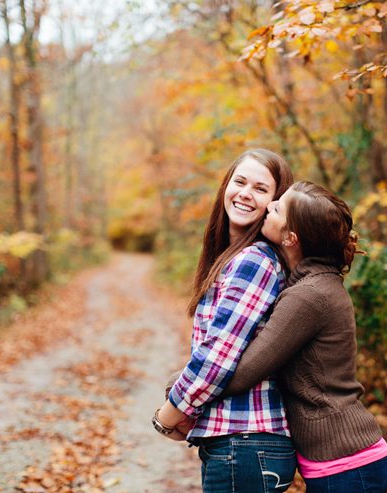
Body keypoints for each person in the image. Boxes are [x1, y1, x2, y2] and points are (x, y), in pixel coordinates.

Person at [220, 181, 387, 493]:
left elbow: (243, 373)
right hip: (341, 463)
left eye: (278, 208)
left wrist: (184, 383)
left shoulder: (308, 296)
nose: (269, 206)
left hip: (348, 465)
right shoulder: (314, 285)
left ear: (291, 238)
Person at [152, 149, 297, 493]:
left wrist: (166, 417)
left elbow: (217, 358)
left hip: (246, 443)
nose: (246, 193)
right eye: (240, 181)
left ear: (275, 206)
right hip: (244, 445)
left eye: (261, 189)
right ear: (225, 188)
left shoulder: (254, 261)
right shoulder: (233, 259)